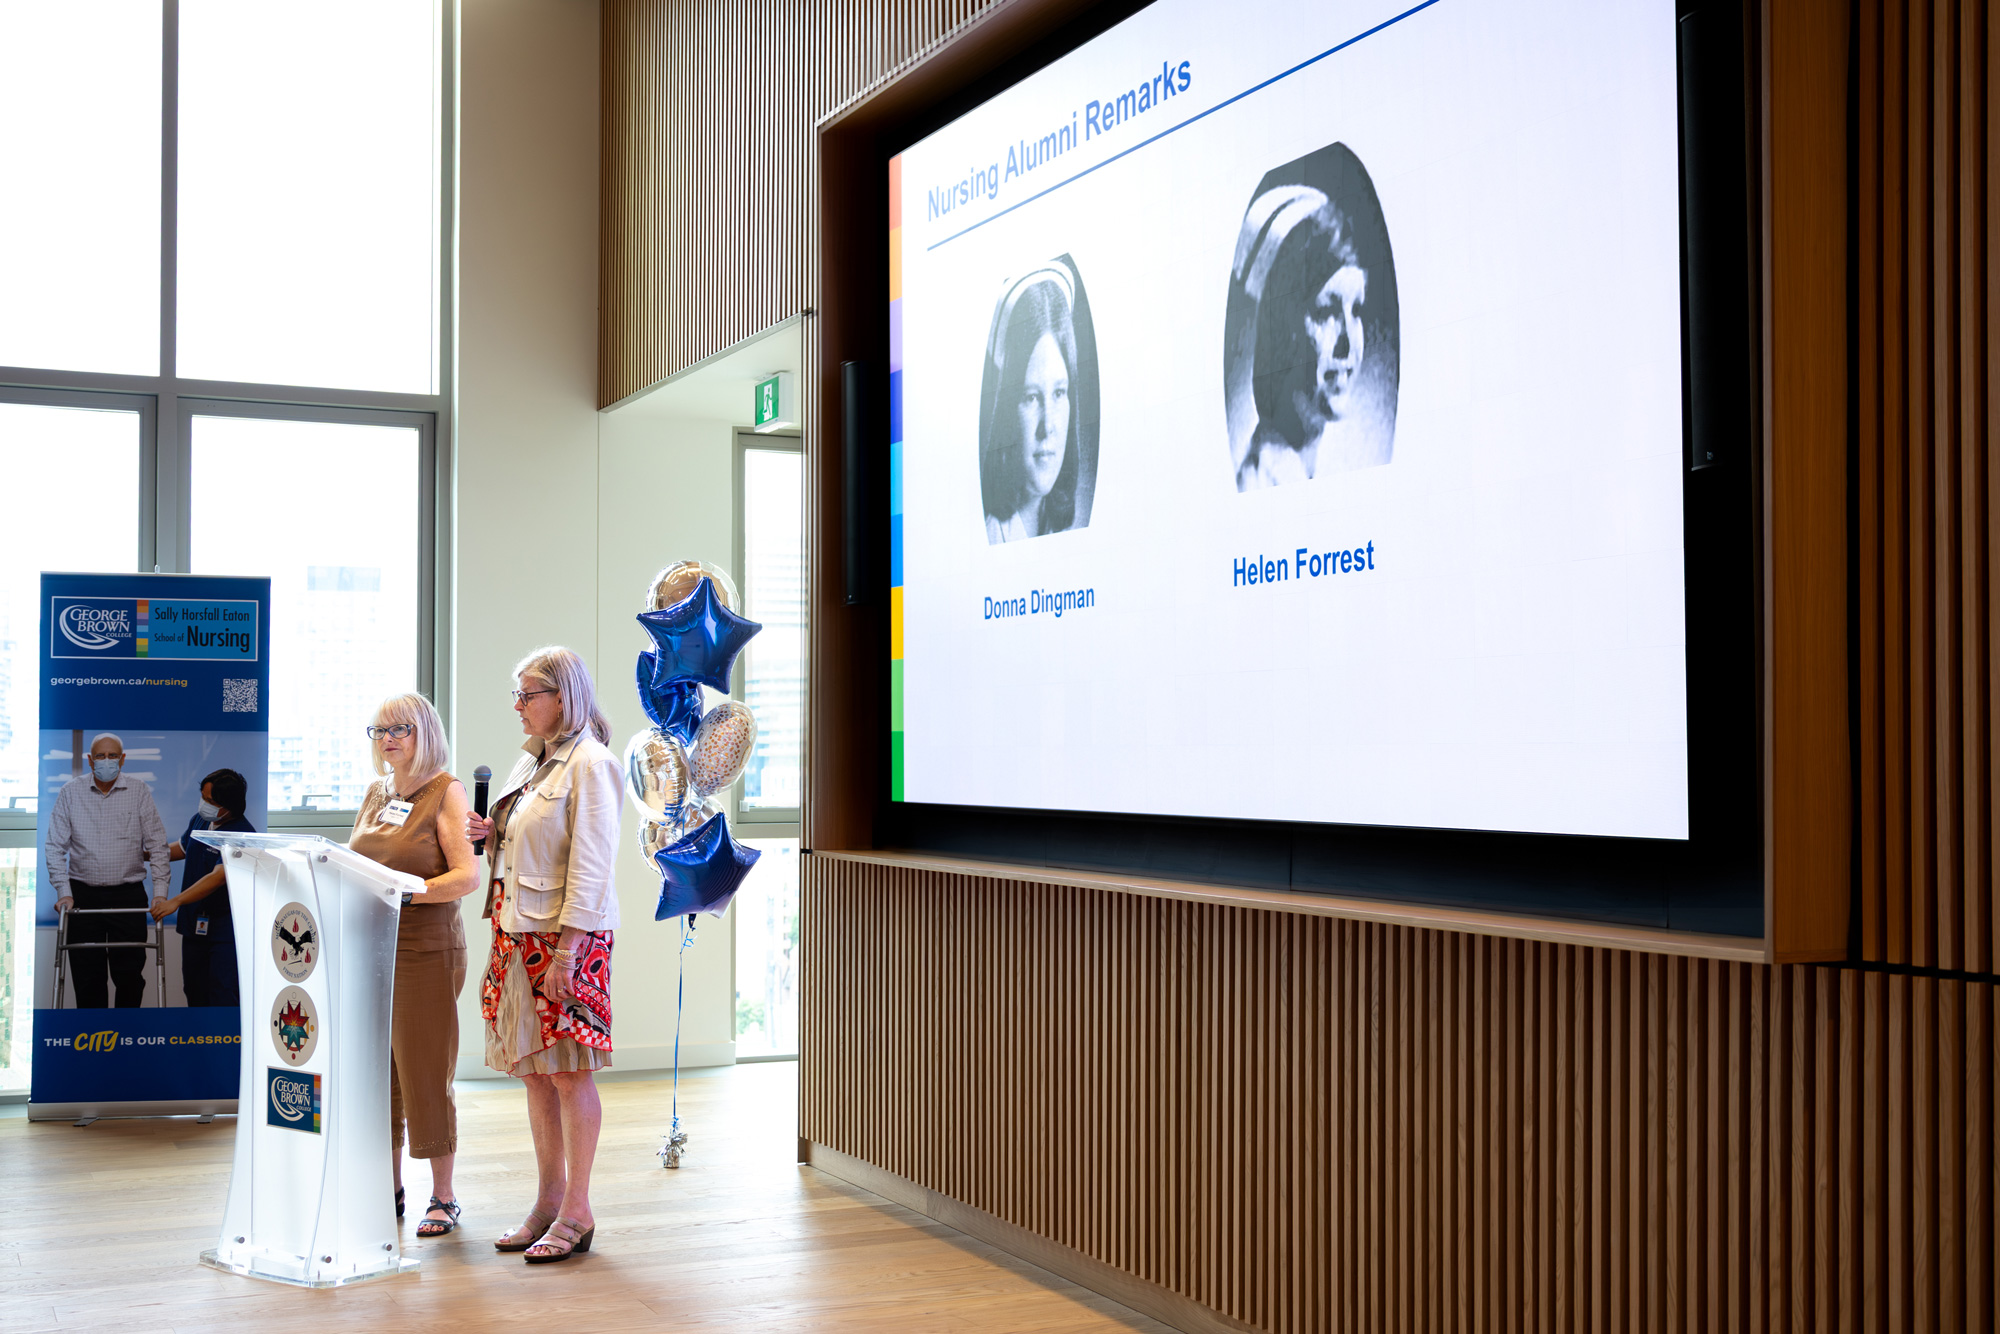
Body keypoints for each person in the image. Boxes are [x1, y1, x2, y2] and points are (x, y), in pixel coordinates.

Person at [465, 646, 621, 1264]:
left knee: (568, 1071)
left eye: (528, 694)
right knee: (534, 1071)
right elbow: (530, 843)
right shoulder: (533, 761)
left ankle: (577, 1210)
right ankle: (547, 1200)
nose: (518, 706)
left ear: (565, 696)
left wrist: (568, 953)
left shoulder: (592, 763)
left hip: (564, 941)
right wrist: (492, 833)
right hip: (515, 932)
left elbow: (592, 866)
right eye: (517, 694)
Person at [347, 693, 479, 1239]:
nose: (388, 738)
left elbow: (465, 877)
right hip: (370, 947)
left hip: (424, 949)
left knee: (424, 1074)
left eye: (400, 728)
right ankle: (390, 1188)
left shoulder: (444, 791)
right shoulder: (378, 792)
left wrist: (404, 893)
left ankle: (443, 1197)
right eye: (378, 730)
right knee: (379, 1079)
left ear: (424, 731)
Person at [1232, 181, 1393, 489]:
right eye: (1326, 313)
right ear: (1280, 329)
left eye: (1356, 310)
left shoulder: (1335, 466)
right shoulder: (1258, 485)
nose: (1348, 344)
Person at [47, 733, 172, 1008]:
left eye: (112, 756)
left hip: (128, 897)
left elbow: (158, 847)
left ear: (123, 759)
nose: (107, 761)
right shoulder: (71, 792)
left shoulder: (138, 791)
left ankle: (126, 1041)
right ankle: (93, 1043)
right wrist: (64, 892)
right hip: (82, 897)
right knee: (87, 978)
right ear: (90, 760)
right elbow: (54, 846)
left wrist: (160, 894)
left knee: (129, 977)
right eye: (101, 756)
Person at [981, 266, 1084, 542]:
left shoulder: (1054, 527)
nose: (1047, 426)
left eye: (1059, 393)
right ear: (1006, 413)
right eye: (1031, 397)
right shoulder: (990, 533)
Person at [151, 768, 255, 1006]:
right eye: (203, 797)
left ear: (229, 805)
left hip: (224, 930)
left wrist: (175, 901)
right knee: (194, 990)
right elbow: (184, 847)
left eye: (210, 801)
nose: (203, 804)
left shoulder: (242, 834)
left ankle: (224, 1042)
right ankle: (199, 1042)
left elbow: (218, 877)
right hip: (194, 925)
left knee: (222, 992)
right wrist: (150, 854)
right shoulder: (202, 820)